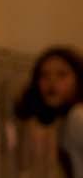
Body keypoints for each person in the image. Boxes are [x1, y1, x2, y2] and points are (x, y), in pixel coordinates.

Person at [14, 47, 83, 177]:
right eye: (44, 75)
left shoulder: (77, 116)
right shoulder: (64, 120)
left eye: (62, 74)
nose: (52, 82)